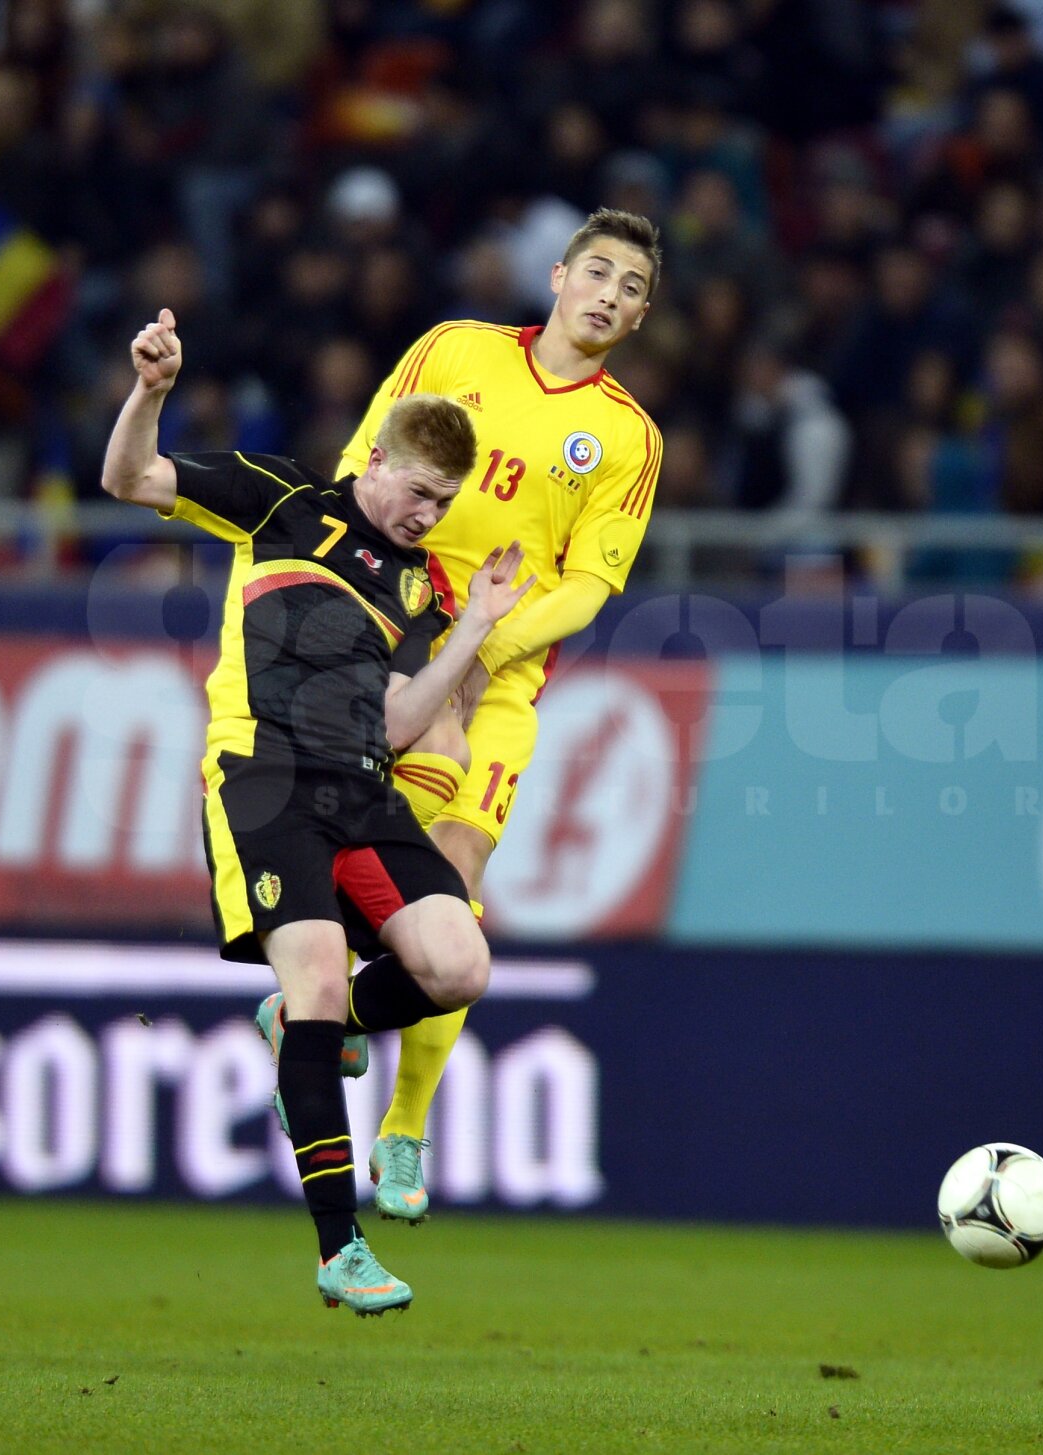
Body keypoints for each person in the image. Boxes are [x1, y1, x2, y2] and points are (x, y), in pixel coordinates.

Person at [102, 308, 533, 1316]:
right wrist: (151, 394)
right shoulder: (283, 499)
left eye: (445, 501)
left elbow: (409, 719)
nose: (430, 514)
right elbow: (131, 479)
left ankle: (298, 1021)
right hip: (264, 775)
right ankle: (341, 1247)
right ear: (376, 461)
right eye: (420, 492)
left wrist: (474, 626)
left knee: (458, 964)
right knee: (319, 982)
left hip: (364, 783)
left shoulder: (424, 588)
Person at [258, 207, 664, 1221]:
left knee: (456, 875)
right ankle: (328, 1008)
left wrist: (490, 645)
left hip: (504, 680)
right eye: (598, 273)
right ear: (560, 277)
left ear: (641, 317)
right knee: (354, 860)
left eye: (632, 289)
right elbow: (366, 469)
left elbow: (588, 585)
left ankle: (403, 1126)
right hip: (389, 646)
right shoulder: (455, 349)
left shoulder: (626, 437)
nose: (610, 295)